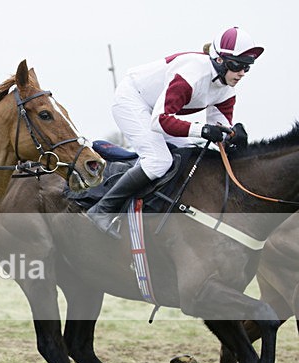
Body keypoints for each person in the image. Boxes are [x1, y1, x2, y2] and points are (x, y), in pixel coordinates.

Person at [87, 26, 264, 239]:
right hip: (133, 100)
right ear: (219, 60)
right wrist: (203, 130)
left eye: (247, 67)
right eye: (237, 66)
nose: (242, 73)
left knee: (190, 152)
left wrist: (233, 135)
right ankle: (103, 209)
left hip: (156, 111)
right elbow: (161, 121)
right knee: (158, 161)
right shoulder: (191, 74)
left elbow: (219, 131)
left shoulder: (227, 90)